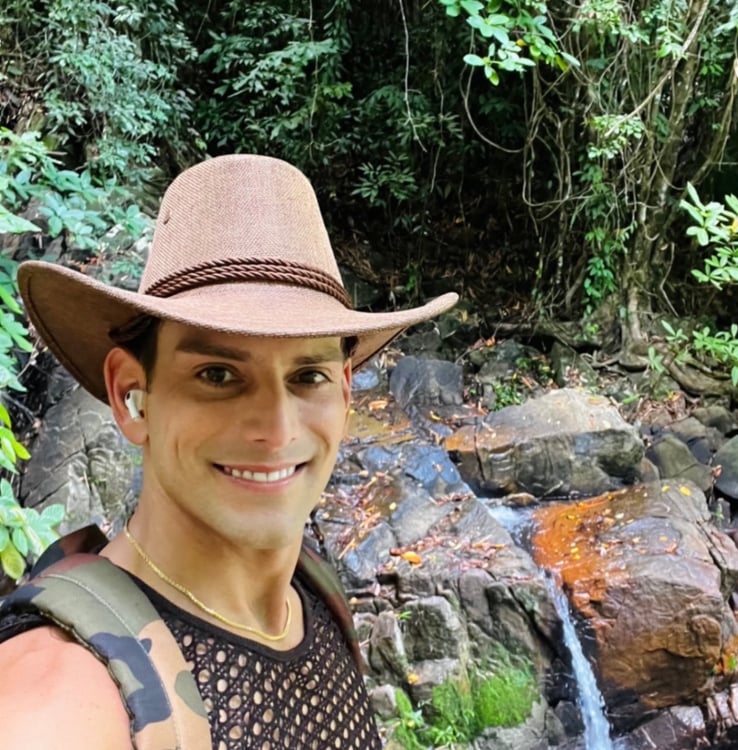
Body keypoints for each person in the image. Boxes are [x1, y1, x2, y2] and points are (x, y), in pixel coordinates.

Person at [0, 155, 457, 749]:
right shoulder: (61, 695)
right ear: (132, 395)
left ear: (345, 393)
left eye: (308, 376)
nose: (276, 429)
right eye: (217, 374)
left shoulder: (315, 597)